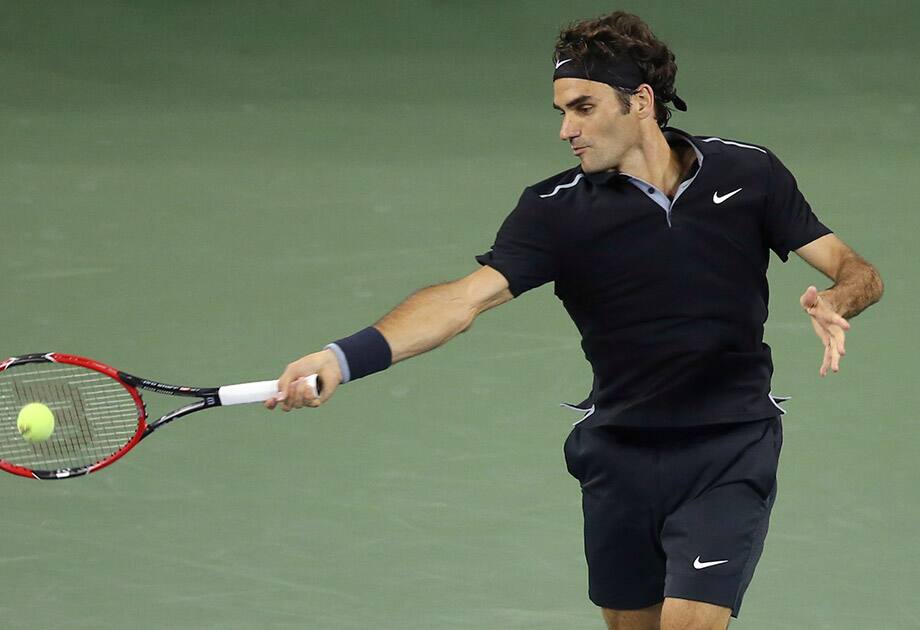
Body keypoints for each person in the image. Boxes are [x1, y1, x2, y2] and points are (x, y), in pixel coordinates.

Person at [264, 11, 884, 630]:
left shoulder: (748, 174)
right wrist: (342, 357)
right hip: (619, 454)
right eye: (561, 111)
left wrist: (839, 300)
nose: (566, 130)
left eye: (583, 108)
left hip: (729, 444)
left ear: (639, 101)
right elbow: (461, 301)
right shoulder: (554, 211)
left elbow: (856, 269)